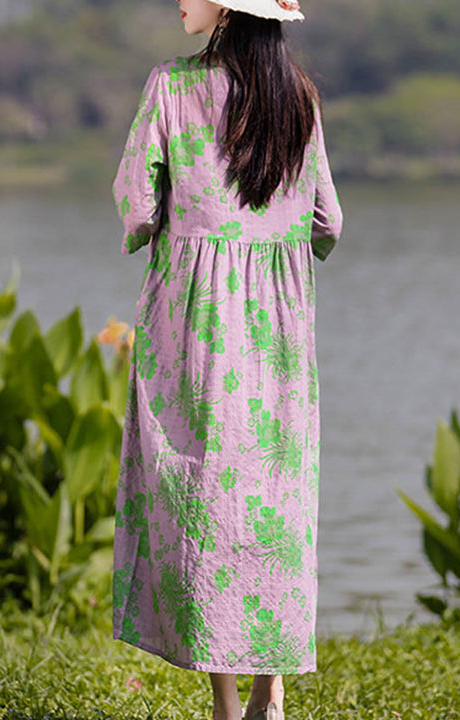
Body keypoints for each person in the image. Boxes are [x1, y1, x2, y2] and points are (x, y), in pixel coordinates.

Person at [111, 0, 342, 718]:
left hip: (194, 323)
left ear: (226, 9)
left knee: (204, 493)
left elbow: (136, 206)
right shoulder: (299, 97)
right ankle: (272, 694)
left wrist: (179, 226)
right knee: (275, 495)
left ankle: (226, 700)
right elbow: (327, 223)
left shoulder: (171, 87)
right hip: (278, 329)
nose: (181, 1)